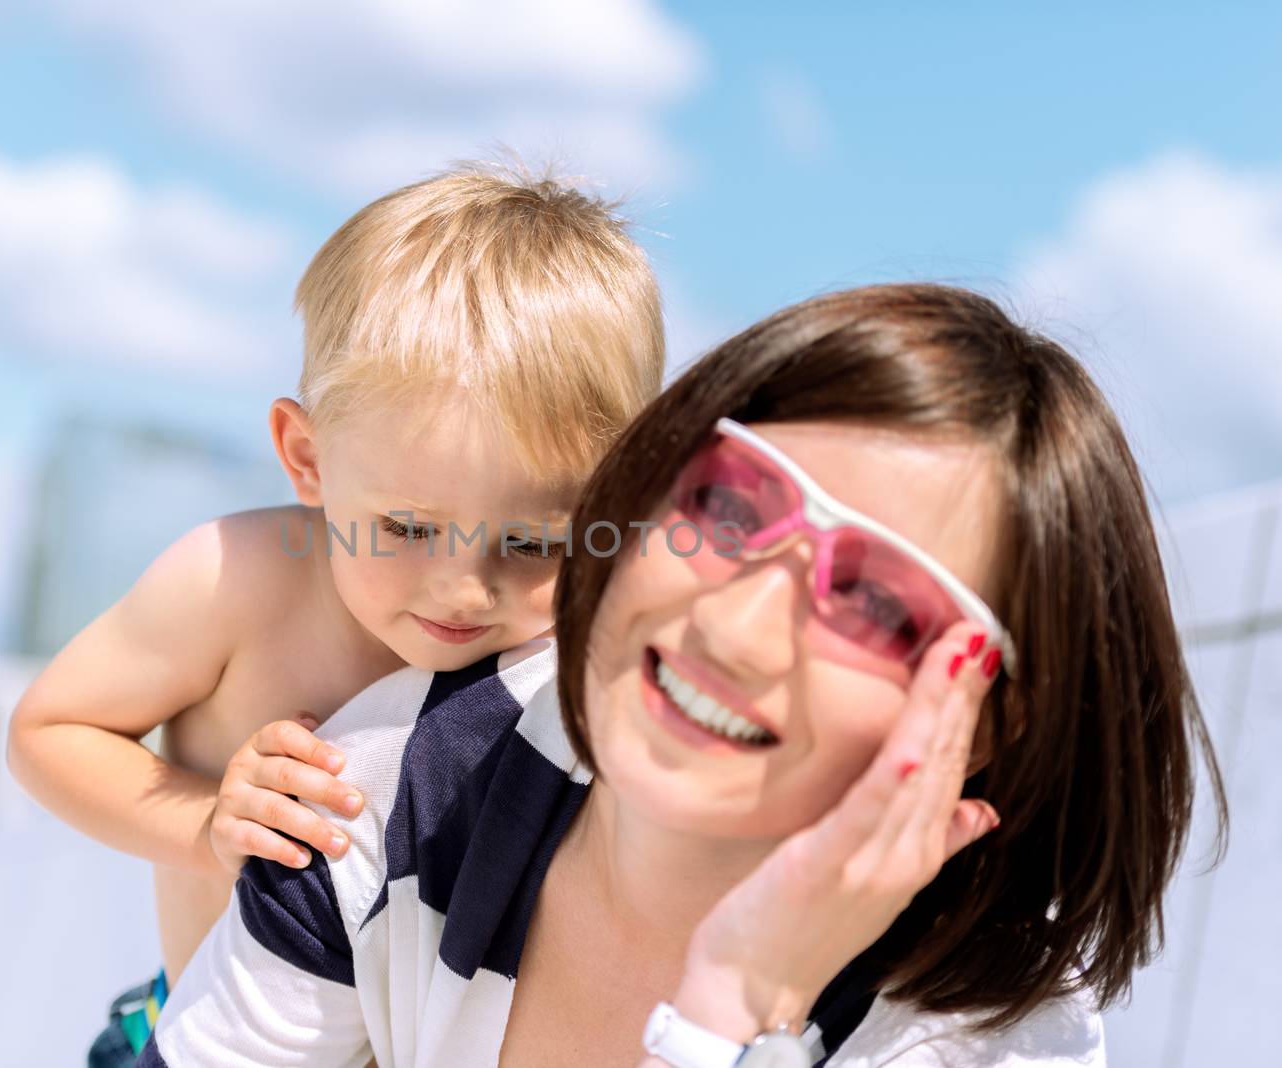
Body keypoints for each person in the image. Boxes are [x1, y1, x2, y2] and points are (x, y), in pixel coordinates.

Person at [136, 283, 1227, 1067]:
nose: (739, 628)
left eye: (879, 601)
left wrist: (735, 1013)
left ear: (990, 722)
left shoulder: (985, 1041)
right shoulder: (387, 793)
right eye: (728, 503)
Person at [3, 161, 665, 1065]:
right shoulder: (237, 582)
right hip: (202, 1027)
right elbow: (48, 730)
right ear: (306, 457)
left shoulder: (584, 645)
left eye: (532, 543)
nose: (463, 590)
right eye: (407, 526)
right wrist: (208, 823)